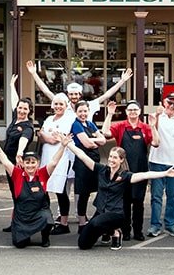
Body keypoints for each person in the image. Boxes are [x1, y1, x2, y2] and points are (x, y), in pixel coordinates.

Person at [67, 143, 174, 251]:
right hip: (101, 211)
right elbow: (82, 156)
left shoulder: (125, 176)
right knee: (83, 244)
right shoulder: (101, 170)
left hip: (116, 214)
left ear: (121, 160)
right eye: (111, 156)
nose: (111, 160)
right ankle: (106, 232)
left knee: (95, 223)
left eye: (115, 157)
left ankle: (115, 233)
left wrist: (165, 173)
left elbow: (144, 175)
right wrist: (68, 144)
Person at [0, 130, 72, 248]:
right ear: (23, 163)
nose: (30, 165)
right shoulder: (17, 173)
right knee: (20, 244)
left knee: (47, 219)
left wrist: (63, 146)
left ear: (38, 163)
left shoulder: (43, 173)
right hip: (22, 216)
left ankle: (45, 237)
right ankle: (24, 235)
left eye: (33, 162)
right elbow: (5, 161)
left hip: (39, 212)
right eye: (27, 162)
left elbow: (54, 162)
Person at [101, 99, 160, 241]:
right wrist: (109, 114)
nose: (133, 112)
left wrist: (153, 126)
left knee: (139, 203)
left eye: (135, 109)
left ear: (140, 112)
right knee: (125, 203)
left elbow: (156, 143)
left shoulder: (145, 127)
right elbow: (105, 132)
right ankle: (126, 231)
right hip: (124, 171)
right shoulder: (121, 126)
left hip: (140, 170)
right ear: (126, 112)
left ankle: (138, 231)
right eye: (130, 110)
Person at [26, 59, 133, 120]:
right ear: (68, 95)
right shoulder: (62, 106)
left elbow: (106, 95)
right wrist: (34, 74)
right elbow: (46, 91)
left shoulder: (88, 106)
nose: (74, 97)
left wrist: (122, 81)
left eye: (76, 94)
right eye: (71, 94)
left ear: (80, 94)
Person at [147, 91, 174, 238]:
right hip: (157, 161)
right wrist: (158, 115)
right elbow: (153, 129)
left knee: (172, 196)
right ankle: (155, 225)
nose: (171, 106)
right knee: (156, 196)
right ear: (164, 103)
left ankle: (171, 225)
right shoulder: (158, 116)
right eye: (169, 103)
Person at [37, 92, 75, 235]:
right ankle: (47, 220)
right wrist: (44, 135)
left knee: (60, 191)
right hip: (46, 157)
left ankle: (64, 223)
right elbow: (42, 138)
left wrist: (43, 134)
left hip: (60, 159)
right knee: (44, 190)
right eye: (56, 104)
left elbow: (55, 139)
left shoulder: (68, 119)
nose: (58, 106)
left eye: (61, 104)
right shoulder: (48, 119)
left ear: (66, 105)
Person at [1, 74, 35, 232]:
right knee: (14, 193)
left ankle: (22, 223)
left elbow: (23, 140)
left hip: (18, 164)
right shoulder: (16, 118)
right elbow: (15, 101)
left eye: (24, 109)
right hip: (8, 162)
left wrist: (20, 153)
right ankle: (16, 221)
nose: (21, 110)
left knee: (20, 194)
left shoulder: (28, 127)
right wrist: (11, 86)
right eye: (20, 108)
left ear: (29, 111)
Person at [71, 100, 107, 232]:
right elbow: (87, 144)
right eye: (80, 111)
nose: (83, 113)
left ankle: (98, 218)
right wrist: (94, 141)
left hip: (95, 162)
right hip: (82, 163)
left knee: (101, 188)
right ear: (76, 112)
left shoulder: (91, 124)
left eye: (85, 111)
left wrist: (93, 140)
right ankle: (82, 223)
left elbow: (103, 140)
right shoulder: (76, 125)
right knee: (83, 193)